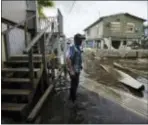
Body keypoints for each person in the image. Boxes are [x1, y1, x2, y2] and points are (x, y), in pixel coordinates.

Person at [66, 33, 85, 103]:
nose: (81, 42)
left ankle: (71, 97)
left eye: (81, 40)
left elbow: (77, 59)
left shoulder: (78, 48)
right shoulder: (73, 48)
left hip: (76, 70)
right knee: (74, 84)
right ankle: (73, 101)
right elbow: (68, 59)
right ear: (76, 40)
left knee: (74, 84)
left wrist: (80, 65)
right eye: (80, 40)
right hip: (73, 71)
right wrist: (71, 71)